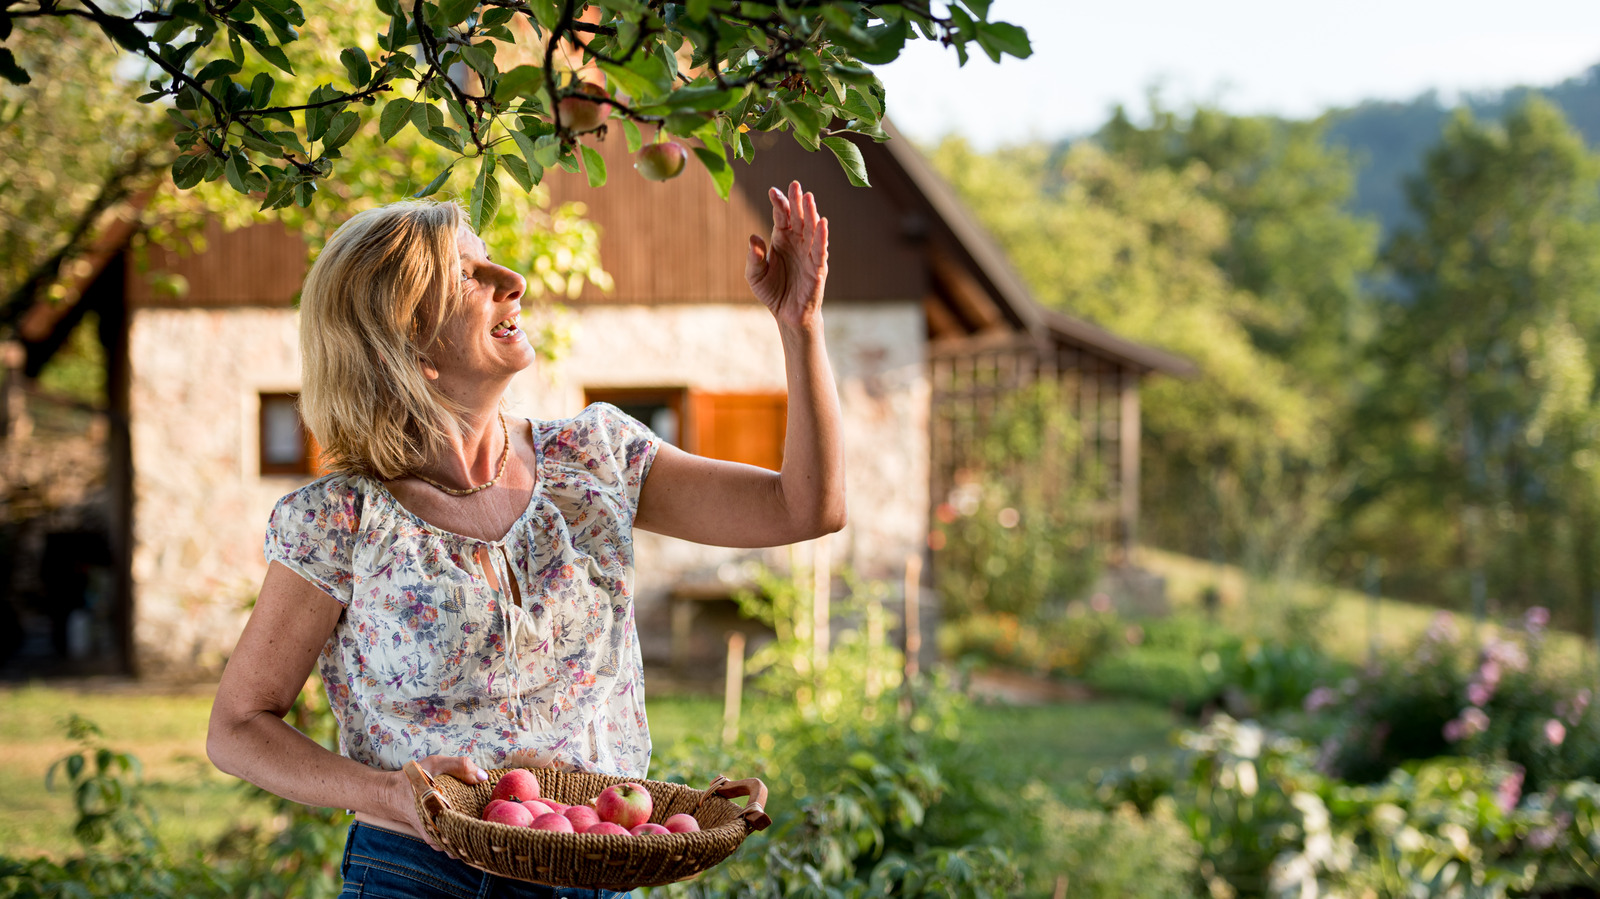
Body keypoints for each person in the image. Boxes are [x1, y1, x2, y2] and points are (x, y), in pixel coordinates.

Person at [207, 181, 845, 898]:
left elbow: (806, 507)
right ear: (405, 342)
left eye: (491, 260)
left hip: (595, 864)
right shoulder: (342, 520)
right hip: (419, 876)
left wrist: (800, 324)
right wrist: (388, 794)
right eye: (467, 275)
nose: (511, 279)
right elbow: (237, 726)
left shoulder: (597, 459)